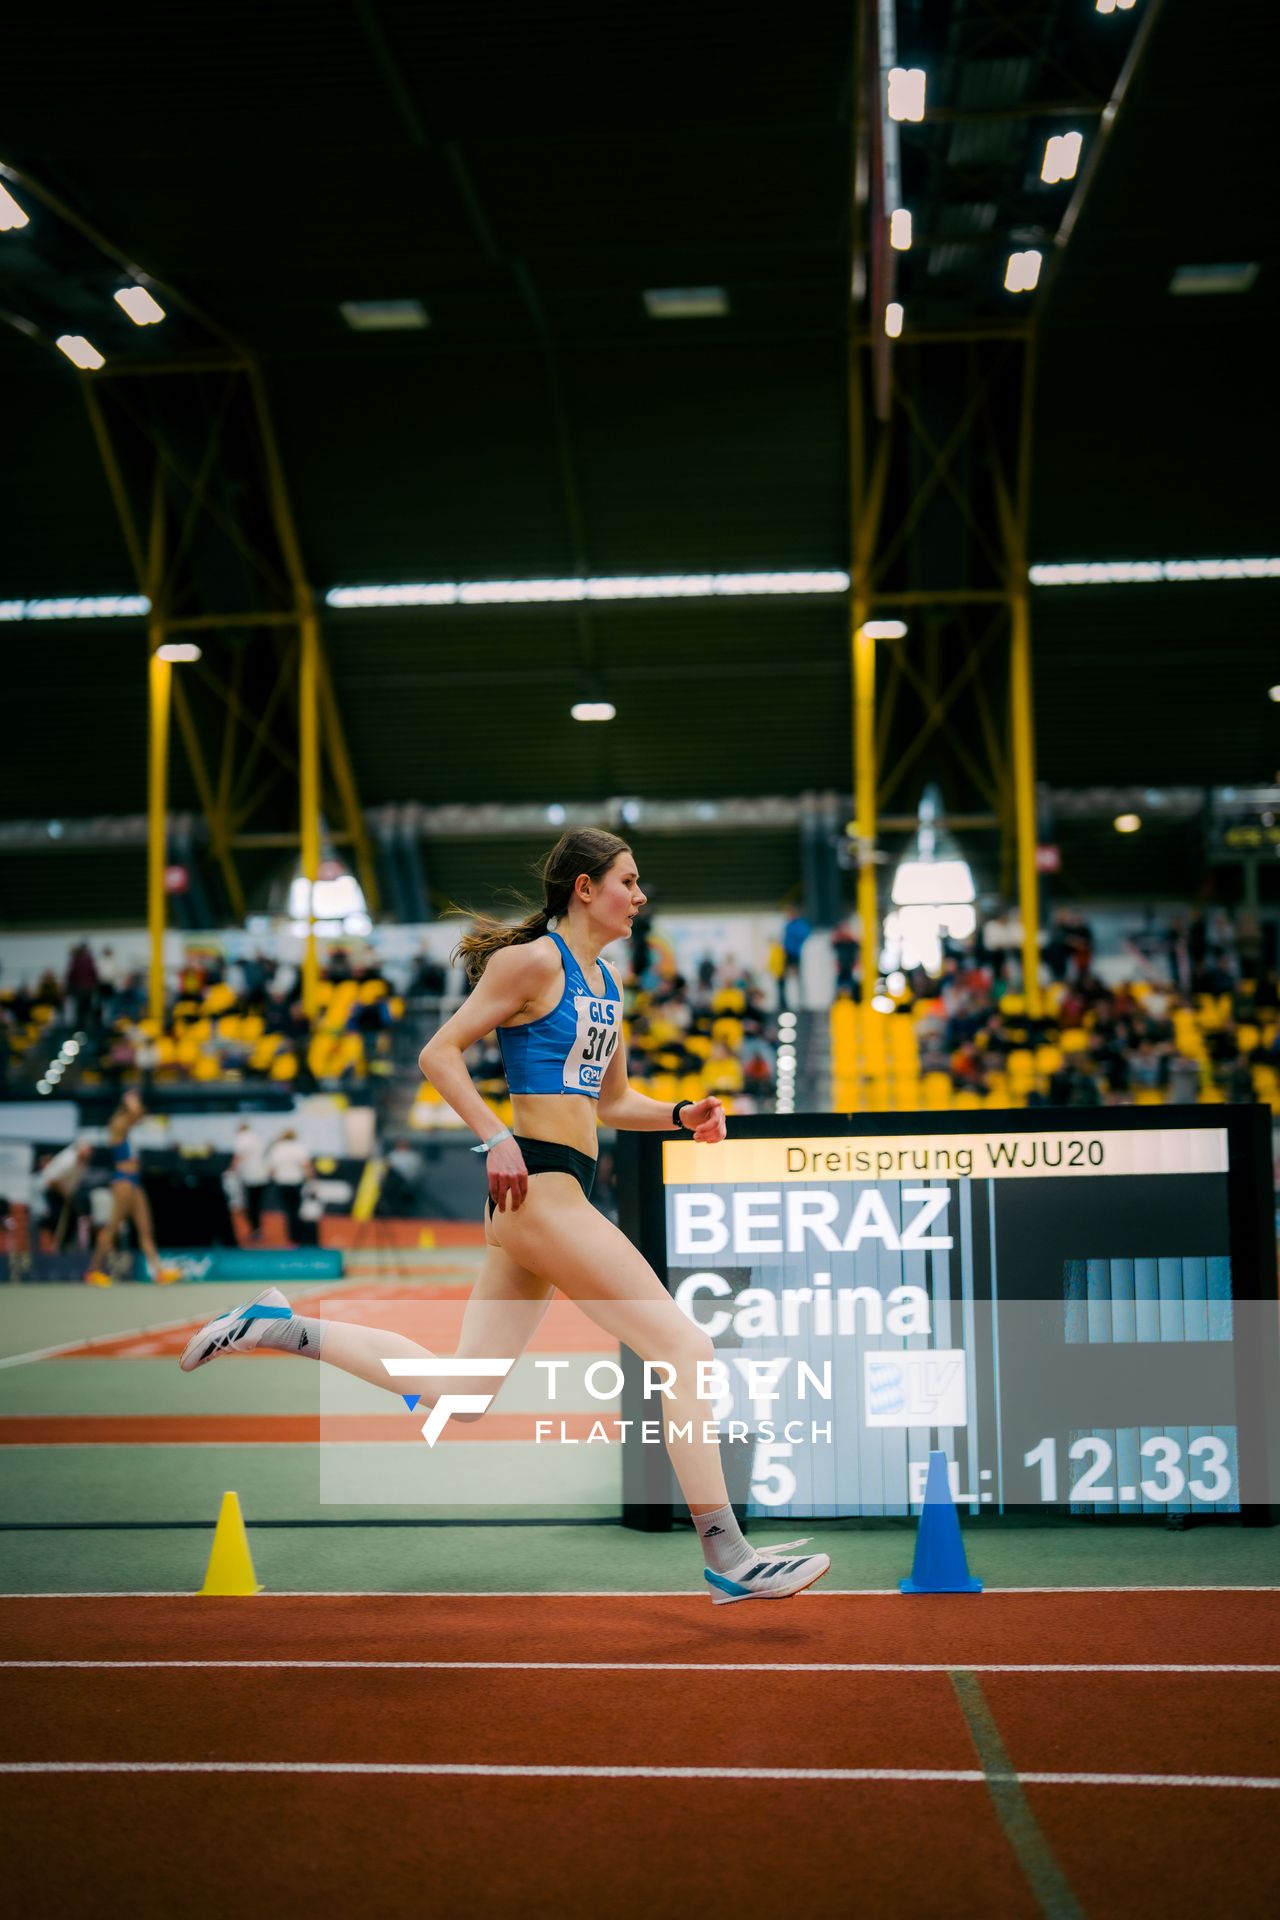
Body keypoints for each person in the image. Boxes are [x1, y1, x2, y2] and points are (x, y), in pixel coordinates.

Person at [178, 828, 829, 1607]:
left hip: (553, 1197)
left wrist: (684, 1114)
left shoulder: (604, 982)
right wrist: (495, 1137)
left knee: (463, 1391)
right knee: (684, 1347)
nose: (639, 895)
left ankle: (278, 1326)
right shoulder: (534, 962)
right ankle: (727, 1553)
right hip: (540, 1187)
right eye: (628, 880)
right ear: (584, 888)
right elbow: (439, 1053)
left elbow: (614, 1102)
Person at [89, 1092, 172, 1282]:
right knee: (112, 1228)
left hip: (135, 1181)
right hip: (123, 1181)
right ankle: (93, 1270)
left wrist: (135, 1105)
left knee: (146, 1229)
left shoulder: (129, 1129)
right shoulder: (117, 1124)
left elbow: (140, 1115)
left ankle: (158, 1272)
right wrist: (131, 1102)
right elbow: (135, 1115)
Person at [266, 1127, 310, 1244]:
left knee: (288, 1211)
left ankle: (292, 1237)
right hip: (296, 1182)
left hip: (282, 1183)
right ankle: (299, 1236)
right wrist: (311, 1180)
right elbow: (306, 1166)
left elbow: (271, 1169)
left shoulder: (277, 1148)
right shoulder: (299, 1147)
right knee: (297, 1210)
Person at [232, 1121, 270, 1241]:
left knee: (249, 1204)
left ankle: (255, 1229)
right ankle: (258, 1229)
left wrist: (231, 1170)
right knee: (257, 1204)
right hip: (262, 1175)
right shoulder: (256, 1137)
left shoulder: (242, 1138)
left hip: (249, 1176)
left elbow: (239, 1157)